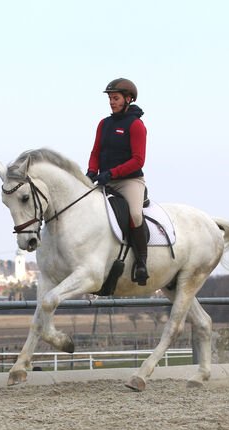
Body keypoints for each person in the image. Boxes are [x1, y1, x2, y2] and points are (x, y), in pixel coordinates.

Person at [86, 78, 149, 285]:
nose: (112, 102)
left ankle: (141, 262)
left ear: (128, 99)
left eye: (116, 98)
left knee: (134, 214)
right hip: (106, 179)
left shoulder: (136, 125)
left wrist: (112, 173)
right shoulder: (104, 124)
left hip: (129, 181)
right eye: (110, 98)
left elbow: (138, 160)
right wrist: (91, 171)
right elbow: (96, 152)